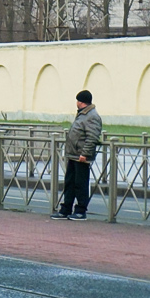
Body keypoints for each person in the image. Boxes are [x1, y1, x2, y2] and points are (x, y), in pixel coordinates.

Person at [52, 89, 102, 221]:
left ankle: (80, 210)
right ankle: (66, 209)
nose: (76, 102)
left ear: (81, 102)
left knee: (80, 184)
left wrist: (85, 154)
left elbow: (92, 137)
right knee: (70, 183)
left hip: (81, 156)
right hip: (74, 155)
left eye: (77, 100)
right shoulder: (83, 114)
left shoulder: (92, 116)